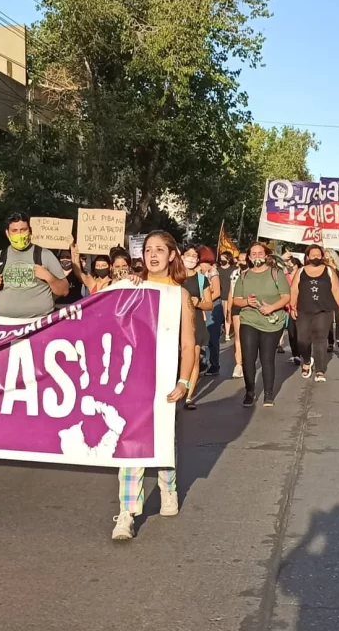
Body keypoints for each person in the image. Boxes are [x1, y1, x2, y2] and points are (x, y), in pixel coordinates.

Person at [112, 231, 196, 541]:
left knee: (161, 437)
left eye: (160, 249)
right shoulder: (132, 287)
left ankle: (167, 487)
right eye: (148, 250)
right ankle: (127, 512)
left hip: (164, 378)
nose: (153, 255)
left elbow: (188, 344)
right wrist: (122, 288)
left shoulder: (180, 295)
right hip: (132, 377)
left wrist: (184, 381)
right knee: (131, 441)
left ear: (172, 255)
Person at [231, 242, 291, 407]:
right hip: (249, 319)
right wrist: (246, 302)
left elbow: (286, 296)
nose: (257, 256)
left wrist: (271, 307)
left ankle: (269, 394)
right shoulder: (243, 276)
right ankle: (250, 391)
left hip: (272, 322)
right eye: (254, 254)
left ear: (266, 255)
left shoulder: (276, 273)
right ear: (249, 257)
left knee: (267, 359)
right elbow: (235, 300)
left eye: (260, 253)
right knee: (249, 358)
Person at [0, 213, 68, 319]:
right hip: (7, 325)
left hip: (40, 324)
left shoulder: (45, 255)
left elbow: (64, 291)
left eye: (23, 230)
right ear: (7, 233)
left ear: (30, 231)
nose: (19, 234)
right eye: (14, 231)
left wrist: (49, 277)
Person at [289, 247, 339, 382]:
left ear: (322, 256)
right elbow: (294, 289)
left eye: (318, 254)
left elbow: (337, 290)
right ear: (308, 257)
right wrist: (292, 306)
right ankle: (307, 361)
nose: (316, 257)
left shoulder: (329, 271)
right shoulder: (301, 271)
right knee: (302, 340)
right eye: (312, 255)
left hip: (324, 310)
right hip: (304, 310)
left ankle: (320, 370)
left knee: (320, 340)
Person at [182, 246, 213, 409]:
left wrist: (199, 303)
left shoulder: (202, 280)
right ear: (181, 256)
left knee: (193, 360)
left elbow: (209, 305)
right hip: (175, 323)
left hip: (195, 323)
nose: (192, 258)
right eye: (189, 255)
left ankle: (188, 396)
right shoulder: (173, 277)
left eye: (195, 256)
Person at [197, 246, 222, 376]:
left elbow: (217, 292)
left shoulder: (213, 272)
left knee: (212, 337)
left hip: (212, 305)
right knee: (199, 336)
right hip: (199, 305)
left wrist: (205, 302)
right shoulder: (196, 271)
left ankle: (214, 364)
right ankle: (202, 362)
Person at [228, 252, 248, 378]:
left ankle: (249, 361)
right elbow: (231, 292)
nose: (241, 262)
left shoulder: (254, 273)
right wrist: (229, 310)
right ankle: (238, 365)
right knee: (238, 336)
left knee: (251, 338)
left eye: (244, 260)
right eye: (239, 260)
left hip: (252, 307)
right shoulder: (235, 274)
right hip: (237, 306)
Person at [284, 257, 303, 366]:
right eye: (288, 265)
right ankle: (295, 354)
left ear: (297, 265)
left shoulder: (302, 277)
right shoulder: (285, 277)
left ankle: (303, 353)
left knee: (301, 333)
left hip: (301, 308)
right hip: (289, 308)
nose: (290, 266)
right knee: (291, 333)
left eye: (291, 264)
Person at [218, 251, 235, 340]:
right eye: (221, 258)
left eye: (223, 258)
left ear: (228, 259)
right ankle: (226, 331)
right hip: (221, 295)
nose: (221, 260)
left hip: (230, 294)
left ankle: (228, 333)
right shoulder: (218, 269)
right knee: (224, 314)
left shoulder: (233, 269)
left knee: (228, 313)